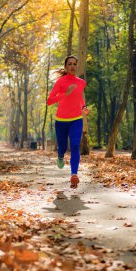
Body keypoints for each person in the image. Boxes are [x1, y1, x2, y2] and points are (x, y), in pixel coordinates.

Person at [47, 56, 89, 188]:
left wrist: (83, 106)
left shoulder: (81, 82)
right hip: (61, 121)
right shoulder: (60, 82)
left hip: (76, 119)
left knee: (75, 145)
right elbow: (50, 101)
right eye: (69, 64)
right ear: (65, 67)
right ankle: (60, 156)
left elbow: (80, 96)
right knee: (63, 148)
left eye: (74, 64)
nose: (72, 66)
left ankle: (74, 174)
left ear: (77, 66)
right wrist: (66, 93)